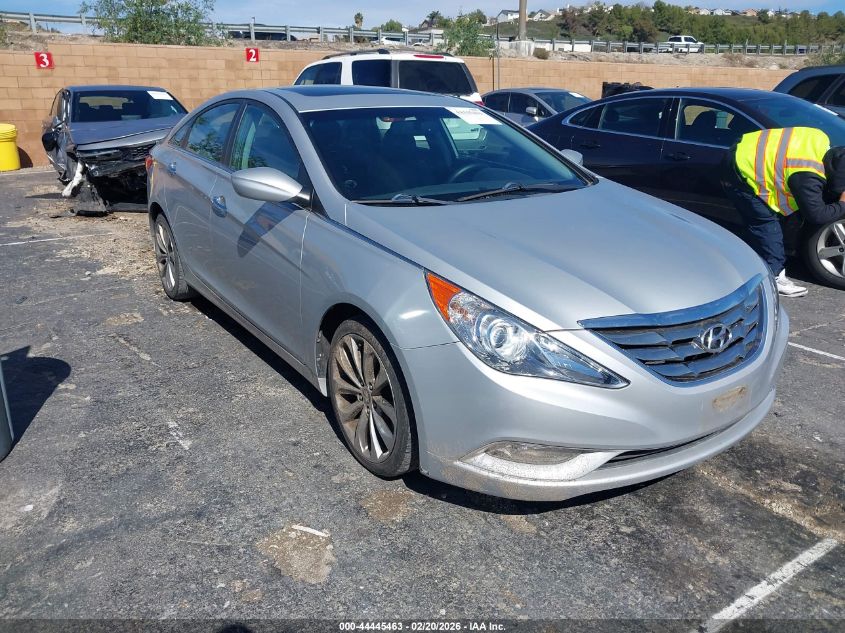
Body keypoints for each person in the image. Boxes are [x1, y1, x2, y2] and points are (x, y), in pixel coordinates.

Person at [726, 126, 845, 297]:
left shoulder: (819, 138)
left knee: (779, 215)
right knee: (766, 221)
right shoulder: (808, 177)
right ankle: (774, 276)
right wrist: (842, 203)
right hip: (740, 168)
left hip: (747, 147)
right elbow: (817, 216)